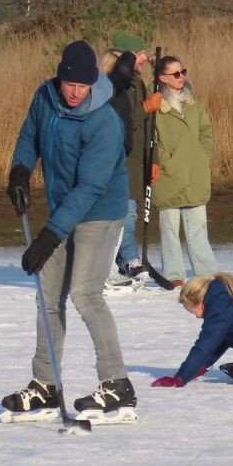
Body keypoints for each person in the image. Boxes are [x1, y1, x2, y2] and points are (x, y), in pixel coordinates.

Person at [3, 40, 136, 422]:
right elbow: (30, 135)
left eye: (83, 85)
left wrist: (49, 236)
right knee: (47, 297)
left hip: (99, 212)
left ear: (94, 82)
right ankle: (45, 384)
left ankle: (118, 384)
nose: (75, 92)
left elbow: (90, 188)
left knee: (85, 295)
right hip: (63, 206)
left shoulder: (104, 121)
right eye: (69, 84)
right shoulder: (45, 97)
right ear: (60, 77)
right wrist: (20, 171)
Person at [100, 31, 161, 295]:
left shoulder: (138, 83)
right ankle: (128, 258)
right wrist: (146, 108)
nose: (145, 60)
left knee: (131, 211)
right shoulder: (109, 86)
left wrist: (153, 158)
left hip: (138, 159)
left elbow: (149, 129)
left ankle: (127, 258)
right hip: (119, 158)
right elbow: (119, 121)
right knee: (124, 211)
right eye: (138, 55)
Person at [151, 55, 216, 284]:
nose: (181, 77)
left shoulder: (193, 104)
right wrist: (163, 161)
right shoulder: (156, 107)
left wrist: (203, 155)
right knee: (169, 227)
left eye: (183, 72)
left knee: (198, 226)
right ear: (162, 78)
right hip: (169, 175)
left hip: (195, 172)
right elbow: (152, 141)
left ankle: (207, 273)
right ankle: (174, 275)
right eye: (175, 73)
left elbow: (206, 133)